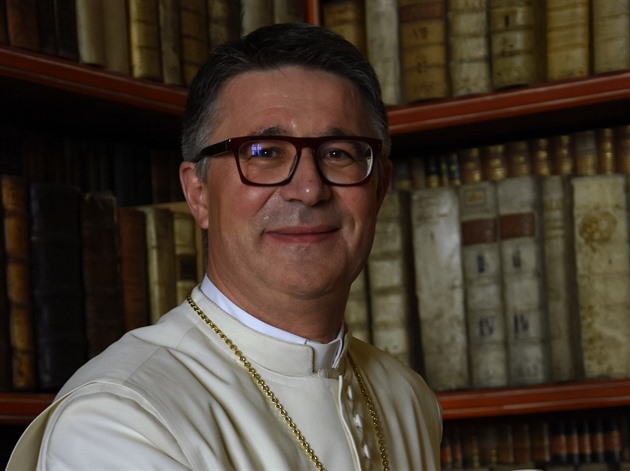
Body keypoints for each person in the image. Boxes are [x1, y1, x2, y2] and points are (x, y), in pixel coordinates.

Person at [8, 22, 442, 470]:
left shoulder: (407, 398)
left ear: (380, 187)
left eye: (338, 153)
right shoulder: (118, 418)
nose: (309, 190)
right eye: (264, 153)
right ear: (198, 194)